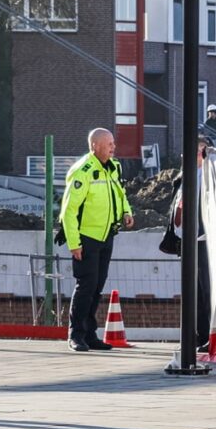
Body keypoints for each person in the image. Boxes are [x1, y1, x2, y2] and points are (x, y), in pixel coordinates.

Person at [60, 126, 133, 352]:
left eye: (113, 143)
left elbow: (119, 193)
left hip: (106, 235)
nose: (113, 147)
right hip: (87, 238)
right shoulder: (84, 170)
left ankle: (91, 334)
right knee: (86, 286)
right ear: (95, 146)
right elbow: (68, 210)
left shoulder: (113, 167)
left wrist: (127, 212)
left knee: (97, 287)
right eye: (109, 144)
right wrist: (74, 243)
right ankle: (76, 335)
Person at [169, 139, 212, 353]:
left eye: (200, 150)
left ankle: (210, 336)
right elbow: (177, 206)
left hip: (205, 240)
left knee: (207, 290)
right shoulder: (185, 177)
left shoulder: (210, 177)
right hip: (187, 240)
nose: (194, 155)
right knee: (192, 291)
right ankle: (197, 335)